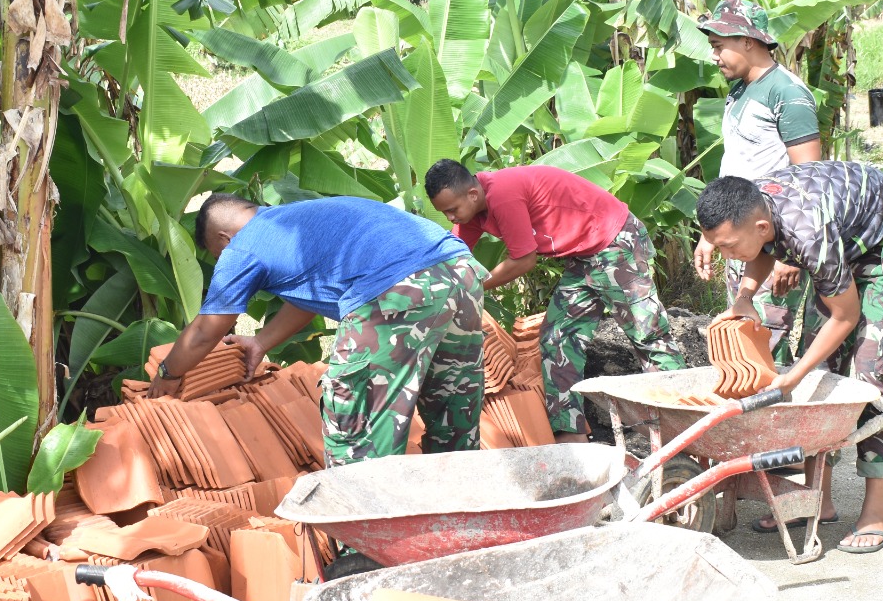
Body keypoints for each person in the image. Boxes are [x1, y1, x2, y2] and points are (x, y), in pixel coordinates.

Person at [697, 162, 883, 554]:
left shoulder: (807, 230)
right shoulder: (757, 206)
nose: (724, 254)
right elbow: (764, 248)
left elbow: (846, 316)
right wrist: (743, 299)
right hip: (844, 239)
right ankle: (818, 499)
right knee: (822, 369)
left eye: (727, 246)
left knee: (876, 372)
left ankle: (876, 511)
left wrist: (792, 378)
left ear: (760, 227)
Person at [149, 193, 488, 467]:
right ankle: (468, 518)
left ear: (223, 238)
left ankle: (362, 543)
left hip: (398, 288)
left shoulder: (242, 246)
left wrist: (168, 373)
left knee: (355, 425)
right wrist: (261, 341)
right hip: (460, 271)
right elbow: (307, 296)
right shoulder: (297, 220)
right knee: (452, 407)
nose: (223, 258)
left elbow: (206, 332)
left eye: (217, 252)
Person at [425, 160, 686, 444]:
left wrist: (474, 287)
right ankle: (569, 434)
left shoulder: (503, 194)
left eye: (452, 210)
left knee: (647, 333)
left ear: (472, 194)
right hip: (583, 256)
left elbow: (523, 260)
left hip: (614, 243)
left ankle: (685, 419)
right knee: (558, 337)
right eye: (444, 213)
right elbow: (456, 257)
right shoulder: (474, 210)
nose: (450, 217)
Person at [693, 0, 823, 365]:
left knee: (768, 338)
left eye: (719, 46)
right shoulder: (739, 90)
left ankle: (776, 413)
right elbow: (736, 164)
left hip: (778, 236)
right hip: (742, 233)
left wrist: (792, 255)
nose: (715, 56)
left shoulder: (788, 94)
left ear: (747, 40)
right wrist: (711, 232)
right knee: (744, 331)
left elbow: (809, 177)